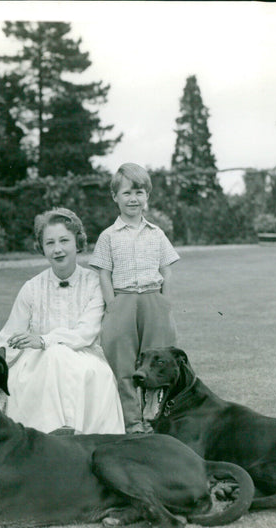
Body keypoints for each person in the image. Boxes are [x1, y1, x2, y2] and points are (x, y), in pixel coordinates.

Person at [0, 208, 125, 434]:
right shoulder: (32, 287)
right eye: (50, 243)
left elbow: (86, 333)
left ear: (78, 242)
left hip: (84, 358)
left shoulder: (95, 283)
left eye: (64, 240)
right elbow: (9, 335)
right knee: (46, 362)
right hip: (36, 363)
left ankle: (74, 435)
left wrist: (44, 340)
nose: (58, 249)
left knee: (59, 355)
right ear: (42, 248)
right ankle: (47, 438)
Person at [89, 162, 180, 433]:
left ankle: (155, 420)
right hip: (123, 302)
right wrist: (112, 304)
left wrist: (164, 303)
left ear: (147, 197)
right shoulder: (108, 236)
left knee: (157, 365)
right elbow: (104, 274)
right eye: (127, 193)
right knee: (123, 364)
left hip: (154, 301)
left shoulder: (157, 233)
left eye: (139, 193)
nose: (133, 199)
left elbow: (167, 270)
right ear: (115, 196)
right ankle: (132, 422)